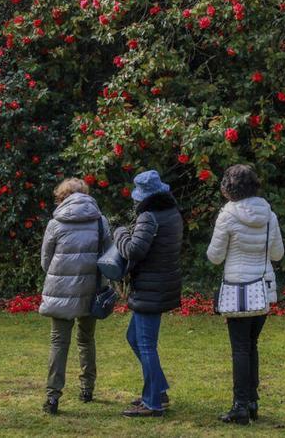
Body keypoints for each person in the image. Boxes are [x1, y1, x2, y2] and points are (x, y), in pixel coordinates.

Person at [206, 164, 285, 424]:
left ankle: (240, 405)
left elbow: (214, 257)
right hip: (263, 286)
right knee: (251, 345)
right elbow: (277, 254)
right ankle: (251, 401)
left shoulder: (227, 215)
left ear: (229, 188)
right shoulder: (269, 215)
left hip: (237, 287)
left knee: (240, 348)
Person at [112, 169, 183, 418]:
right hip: (163, 284)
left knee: (145, 344)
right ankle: (159, 389)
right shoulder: (172, 213)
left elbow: (133, 250)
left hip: (150, 288)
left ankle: (152, 402)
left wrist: (119, 233)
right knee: (134, 338)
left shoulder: (149, 217)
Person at [38, 178, 110, 415]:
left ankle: (53, 397)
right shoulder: (100, 221)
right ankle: (87, 388)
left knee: (59, 342)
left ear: (62, 196)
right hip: (92, 288)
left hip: (61, 290)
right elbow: (108, 257)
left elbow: (45, 262)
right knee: (86, 339)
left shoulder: (55, 223)